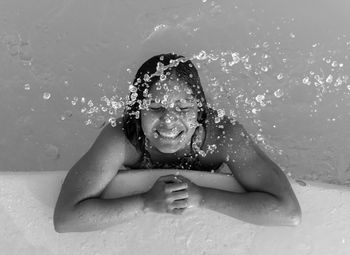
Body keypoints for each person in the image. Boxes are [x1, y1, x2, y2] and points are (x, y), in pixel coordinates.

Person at [54, 53, 301, 233]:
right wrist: (145, 202)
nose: (169, 121)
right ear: (137, 112)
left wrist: (202, 197)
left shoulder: (225, 135)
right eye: (155, 107)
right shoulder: (122, 138)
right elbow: (66, 218)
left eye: (183, 107)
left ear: (200, 110)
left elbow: (287, 212)